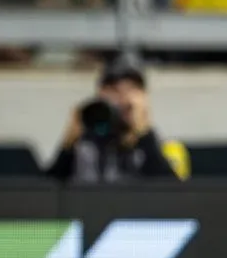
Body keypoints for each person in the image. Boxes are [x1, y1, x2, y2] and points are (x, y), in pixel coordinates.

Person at [45, 57, 179, 183]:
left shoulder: (147, 145)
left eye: (130, 89)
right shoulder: (86, 142)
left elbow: (171, 191)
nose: (122, 98)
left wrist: (143, 132)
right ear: (100, 93)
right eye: (113, 90)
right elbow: (46, 190)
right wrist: (69, 142)